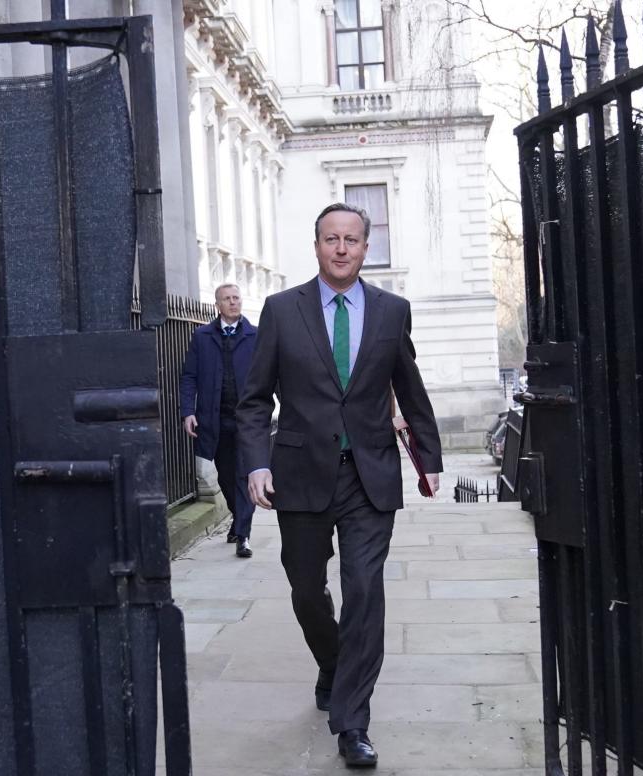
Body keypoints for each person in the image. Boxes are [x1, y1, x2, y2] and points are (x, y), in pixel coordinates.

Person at [237, 202, 442, 768]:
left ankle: (352, 722)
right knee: (307, 592)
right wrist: (257, 462)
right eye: (332, 238)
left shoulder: (391, 310)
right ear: (318, 245)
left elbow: (410, 384)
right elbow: (254, 399)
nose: (342, 248)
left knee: (365, 591)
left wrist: (429, 455)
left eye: (352, 239)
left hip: (368, 475)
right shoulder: (281, 310)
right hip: (299, 474)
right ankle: (332, 664)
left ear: (366, 247)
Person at [180, 283, 257, 558]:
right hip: (216, 419)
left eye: (237, 297)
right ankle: (238, 520)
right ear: (218, 305)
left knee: (244, 475)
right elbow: (189, 376)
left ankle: (244, 536)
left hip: (248, 420)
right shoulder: (201, 336)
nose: (233, 302)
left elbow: (271, 374)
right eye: (227, 299)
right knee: (225, 477)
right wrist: (188, 411)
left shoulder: (255, 336)